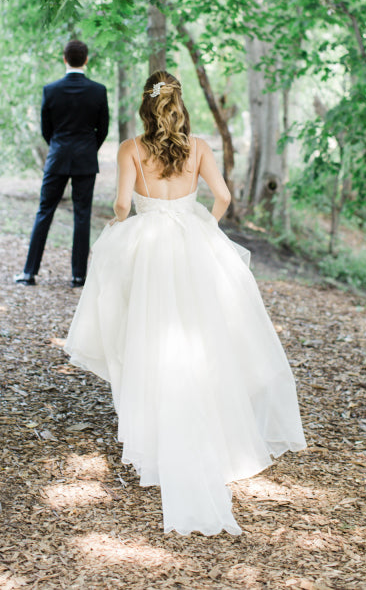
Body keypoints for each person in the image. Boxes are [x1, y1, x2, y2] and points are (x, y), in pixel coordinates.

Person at [64, 71, 306, 536]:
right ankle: (215, 430)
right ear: (179, 104)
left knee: (147, 335)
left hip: (148, 243)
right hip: (193, 243)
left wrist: (122, 225)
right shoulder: (198, 147)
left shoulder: (132, 148)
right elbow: (224, 196)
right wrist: (206, 228)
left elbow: (118, 206)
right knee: (206, 335)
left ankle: (156, 432)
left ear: (145, 105)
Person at [14, 40, 109, 288]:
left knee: (44, 212)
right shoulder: (98, 91)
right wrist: (88, 149)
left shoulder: (50, 90)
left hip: (57, 157)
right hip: (86, 160)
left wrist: (58, 146)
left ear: (64, 59)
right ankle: (79, 276)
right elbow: (103, 129)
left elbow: (47, 130)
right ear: (86, 59)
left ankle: (29, 273)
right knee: (82, 216)